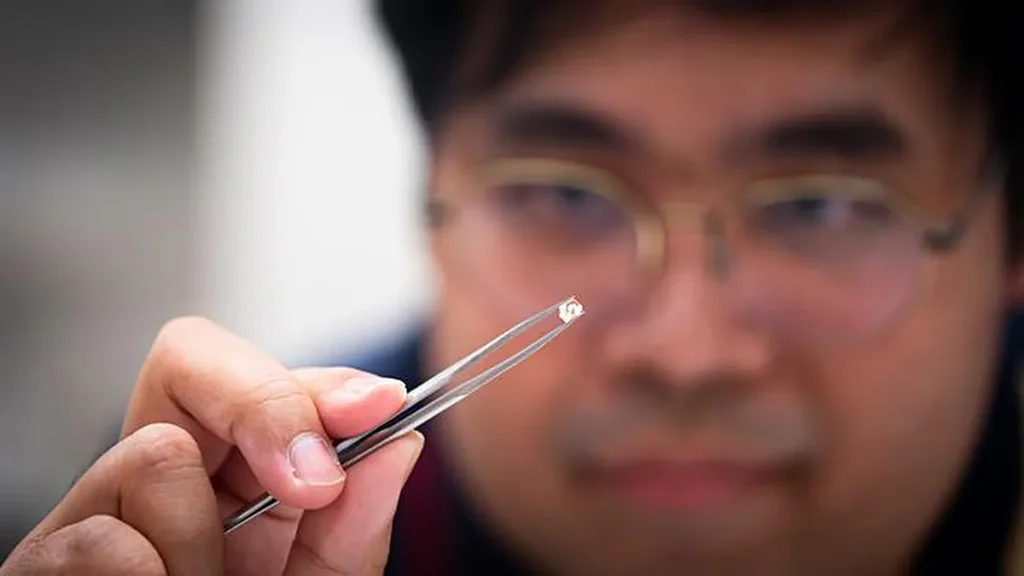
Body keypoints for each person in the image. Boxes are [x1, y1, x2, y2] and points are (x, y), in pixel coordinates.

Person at [3, 0, 1023, 574]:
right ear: (430, 205)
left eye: (822, 208)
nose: (683, 352)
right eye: (564, 195)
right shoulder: (232, 515)